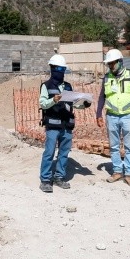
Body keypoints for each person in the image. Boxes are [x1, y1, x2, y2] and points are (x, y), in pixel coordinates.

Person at [96, 49, 130, 187]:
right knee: (114, 146)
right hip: (112, 116)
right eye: (109, 64)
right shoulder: (107, 77)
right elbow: (102, 97)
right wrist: (98, 114)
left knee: (129, 146)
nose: (110, 66)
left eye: (112, 63)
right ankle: (117, 171)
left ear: (120, 62)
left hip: (128, 116)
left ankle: (129, 174)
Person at [38, 54, 90, 193]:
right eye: (58, 68)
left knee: (64, 153)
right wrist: (53, 100)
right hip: (53, 126)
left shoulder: (68, 86)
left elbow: (72, 104)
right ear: (52, 68)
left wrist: (83, 104)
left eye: (62, 69)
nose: (60, 71)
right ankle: (45, 179)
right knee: (49, 152)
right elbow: (43, 104)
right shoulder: (46, 86)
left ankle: (59, 177)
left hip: (66, 125)